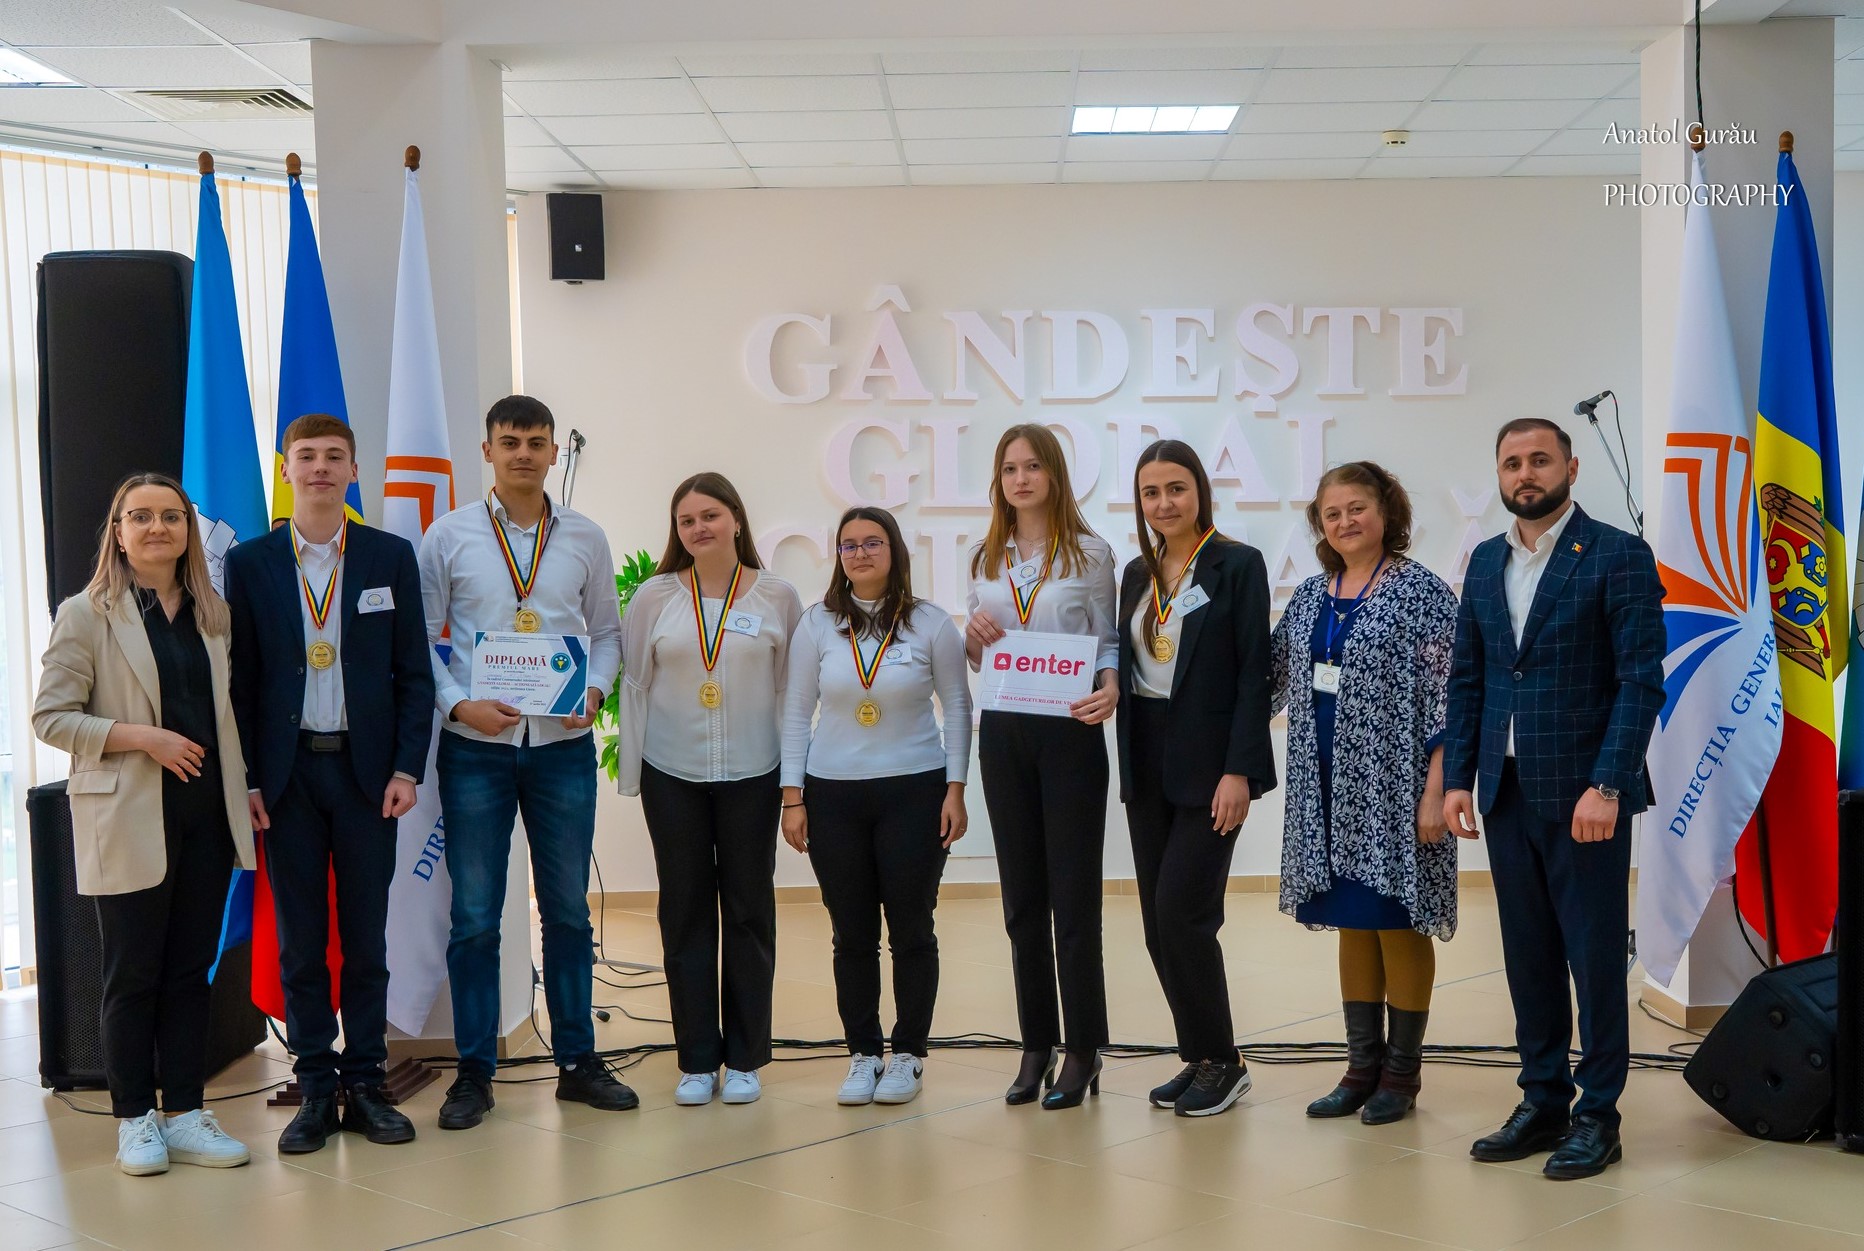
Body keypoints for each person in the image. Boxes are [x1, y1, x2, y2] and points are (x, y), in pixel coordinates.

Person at [1443, 418, 1665, 1181]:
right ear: (1499, 475)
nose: (1525, 473)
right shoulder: (1485, 559)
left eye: (1539, 459)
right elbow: (1469, 676)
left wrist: (1608, 784)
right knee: (1528, 956)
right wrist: (1458, 777)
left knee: (1593, 958)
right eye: (1511, 462)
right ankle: (1542, 1099)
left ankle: (1598, 1114)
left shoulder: (1617, 554)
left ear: (1570, 467)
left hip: (1585, 797)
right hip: (1505, 791)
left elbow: (1640, 680)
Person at [33, 473, 256, 1176]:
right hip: (128, 815)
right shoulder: (86, 613)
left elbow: (226, 719)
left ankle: (185, 1114)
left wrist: (243, 790)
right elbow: (50, 717)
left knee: (190, 972)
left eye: (171, 516)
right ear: (119, 531)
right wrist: (141, 737)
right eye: (142, 517)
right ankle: (135, 1119)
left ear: (189, 529)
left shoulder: (213, 614)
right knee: (132, 974)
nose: (158, 527)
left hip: (206, 819)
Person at [418, 395, 631, 1129]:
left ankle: (578, 1062)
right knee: (476, 917)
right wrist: (457, 706)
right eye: (510, 442)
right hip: (476, 750)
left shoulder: (586, 537)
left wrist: (594, 690)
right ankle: (474, 1073)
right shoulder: (448, 535)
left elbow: (607, 632)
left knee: (567, 911)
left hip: (562, 750)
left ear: (552, 452)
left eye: (537, 442)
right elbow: (421, 639)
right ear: (488, 450)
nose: (524, 454)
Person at [224, 414, 434, 1154]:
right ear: (286, 470)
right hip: (286, 781)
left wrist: (407, 766)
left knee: (367, 938)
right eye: (306, 456)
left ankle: (367, 1083)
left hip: (367, 775)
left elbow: (414, 674)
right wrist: (249, 779)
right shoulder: (250, 563)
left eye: (333, 456)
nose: (319, 468)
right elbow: (241, 683)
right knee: (302, 941)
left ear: (354, 470)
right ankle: (316, 1087)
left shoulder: (388, 556)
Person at [1269, 461, 1459, 1126]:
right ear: (1319, 525)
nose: (1346, 521)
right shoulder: (1308, 596)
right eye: (1333, 513)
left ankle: (1400, 1076)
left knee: (1397, 921)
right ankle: (1360, 1068)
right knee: (1352, 922)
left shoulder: (1422, 592)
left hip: (1395, 790)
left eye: (1358, 508)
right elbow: (1269, 676)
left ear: (1386, 511)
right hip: (1323, 791)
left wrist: (1437, 789)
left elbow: (1450, 695)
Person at [619, 473, 802, 1106]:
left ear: (736, 520)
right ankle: (697, 1059)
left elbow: (791, 693)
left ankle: (746, 1058)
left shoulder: (777, 597)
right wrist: (633, 776)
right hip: (673, 775)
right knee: (685, 912)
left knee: (750, 912)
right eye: (687, 520)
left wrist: (794, 785)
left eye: (711, 515)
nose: (699, 528)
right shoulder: (654, 597)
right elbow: (635, 686)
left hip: (755, 772)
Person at [780, 506, 971, 1107]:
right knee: (852, 933)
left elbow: (958, 708)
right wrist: (792, 797)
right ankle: (863, 1053)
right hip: (833, 794)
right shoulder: (817, 624)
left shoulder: (930, 624)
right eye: (849, 545)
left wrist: (956, 789)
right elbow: (796, 712)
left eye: (872, 542)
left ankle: (908, 1053)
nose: (860, 554)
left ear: (894, 552)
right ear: (838, 557)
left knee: (912, 929)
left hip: (915, 791)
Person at [1115, 441, 1274, 1118]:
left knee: (1184, 912)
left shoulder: (1237, 563)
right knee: (1158, 923)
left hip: (1211, 765)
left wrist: (1239, 769)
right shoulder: (1136, 572)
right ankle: (1201, 1055)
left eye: (1176, 488)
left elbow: (1253, 672)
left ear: (1200, 491)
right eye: (1151, 492)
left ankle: (1226, 1063)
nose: (1164, 503)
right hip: (1146, 757)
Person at [964, 423, 1119, 1110]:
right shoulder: (984, 557)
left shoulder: (1091, 551)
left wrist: (1111, 686)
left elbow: (1107, 639)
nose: (1020, 479)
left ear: (1054, 474)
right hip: (1003, 730)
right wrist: (971, 640)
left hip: (1070, 729)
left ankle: (1083, 1046)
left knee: (1074, 899)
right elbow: (981, 654)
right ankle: (1036, 1043)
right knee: (1022, 899)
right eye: (1009, 469)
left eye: (1032, 466)